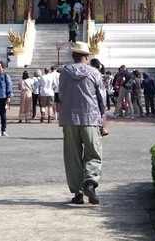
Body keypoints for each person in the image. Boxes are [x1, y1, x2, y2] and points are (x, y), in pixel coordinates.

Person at [59, 41, 105, 205]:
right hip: (90, 117)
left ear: (73, 56)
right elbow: (101, 99)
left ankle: (77, 192)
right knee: (93, 152)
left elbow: (61, 94)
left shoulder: (64, 72)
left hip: (69, 118)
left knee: (72, 157)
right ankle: (90, 182)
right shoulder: (94, 73)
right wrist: (103, 121)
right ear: (87, 56)